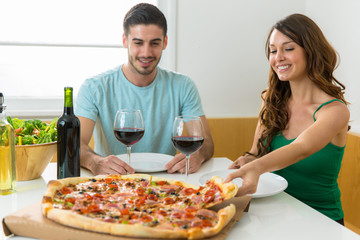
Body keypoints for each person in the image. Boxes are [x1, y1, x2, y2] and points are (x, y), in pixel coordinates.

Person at [225, 13, 349, 224]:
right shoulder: (271, 101)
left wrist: (256, 167)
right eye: (273, 50)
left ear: (311, 51)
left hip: (322, 222)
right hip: (274, 215)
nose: (278, 57)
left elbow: (302, 147)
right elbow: (256, 154)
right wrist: (248, 161)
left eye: (288, 48)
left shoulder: (335, 111)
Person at [75, 3, 214, 176]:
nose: (146, 52)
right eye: (138, 43)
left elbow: (206, 142)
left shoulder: (183, 86)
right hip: (113, 182)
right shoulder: (94, 87)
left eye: (154, 43)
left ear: (165, 42)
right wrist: (95, 162)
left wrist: (197, 156)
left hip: (168, 181)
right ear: (125, 41)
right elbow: (75, 144)